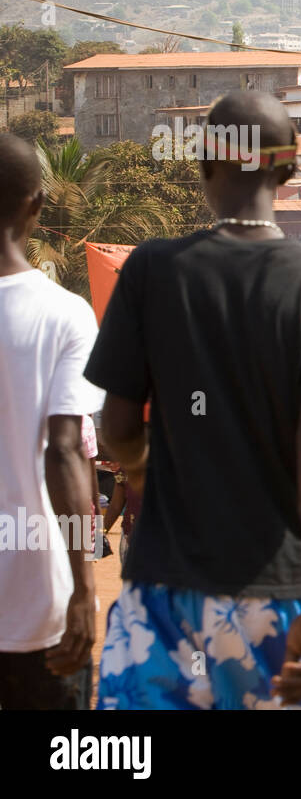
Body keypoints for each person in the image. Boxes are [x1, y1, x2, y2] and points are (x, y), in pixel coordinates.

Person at [87, 92, 301, 710]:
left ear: (202, 164)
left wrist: (151, 476)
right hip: (284, 597)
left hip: (167, 596)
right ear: (289, 170)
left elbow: (115, 426)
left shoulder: (151, 271)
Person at [0, 134, 104, 710]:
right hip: (39, 602)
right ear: (37, 205)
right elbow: (65, 452)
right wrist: (85, 587)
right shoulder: (66, 314)